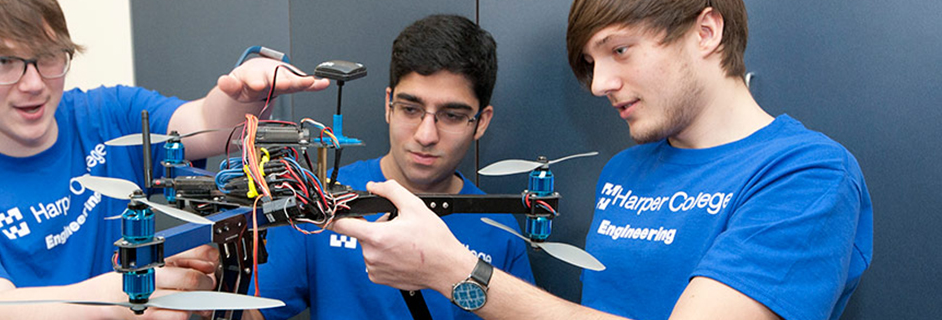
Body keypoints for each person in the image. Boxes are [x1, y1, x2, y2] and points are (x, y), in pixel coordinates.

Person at [331, 1, 873, 320]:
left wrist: (452, 270)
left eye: (619, 50)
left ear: (706, 32)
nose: (599, 84)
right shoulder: (626, 172)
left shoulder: (808, 175)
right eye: (590, 62)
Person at [0, 0, 329, 320]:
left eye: (48, 58)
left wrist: (244, 88)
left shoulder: (108, 114)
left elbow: (204, 123)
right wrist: (116, 299)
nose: (32, 84)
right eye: (3, 62)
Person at [247, 14, 534, 320]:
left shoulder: (499, 229)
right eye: (410, 109)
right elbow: (254, 314)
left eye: (451, 115)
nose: (426, 135)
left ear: (481, 122)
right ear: (389, 105)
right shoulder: (319, 202)